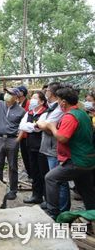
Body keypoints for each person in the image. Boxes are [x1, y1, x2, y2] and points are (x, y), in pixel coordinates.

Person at [37, 86, 95, 219]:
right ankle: (92, 213)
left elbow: (63, 138)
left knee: (50, 178)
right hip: (88, 159)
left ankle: (54, 214)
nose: (57, 103)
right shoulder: (83, 114)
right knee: (86, 189)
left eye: (58, 100)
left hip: (76, 160)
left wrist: (52, 126)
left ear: (63, 102)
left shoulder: (70, 117)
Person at [38, 82, 69, 212]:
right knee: (51, 179)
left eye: (48, 90)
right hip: (48, 147)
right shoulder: (51, 107)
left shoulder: (59, 110)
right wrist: (42, 123)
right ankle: (53, 204)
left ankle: (62, 209)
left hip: (54, 149)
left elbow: (46, 125)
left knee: (58, 181)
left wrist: (41, 123)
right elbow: (41, 122)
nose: (46, 92)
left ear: (53, 93)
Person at [18, 90, 48, 204]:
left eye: (35, 98)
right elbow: (22, 126)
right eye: (32, 98)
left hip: (41, 147)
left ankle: (47, 198)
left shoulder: (45, 113)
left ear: (41, 102)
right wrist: (32, 126)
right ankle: (36, 195)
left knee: (43, 173)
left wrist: (31, 126)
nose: (32, 100)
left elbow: (39, 128)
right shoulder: (29, 113)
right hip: (30, 146)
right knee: (34, 172)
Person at [16, 85, 32, 179]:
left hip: (27, 134)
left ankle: (32, 174)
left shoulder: (29, 104)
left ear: (22, 93)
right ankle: (29, 173)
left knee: (29, 155)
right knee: (24, 155)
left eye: (18, 91)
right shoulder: (18, 104)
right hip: (20, 134)